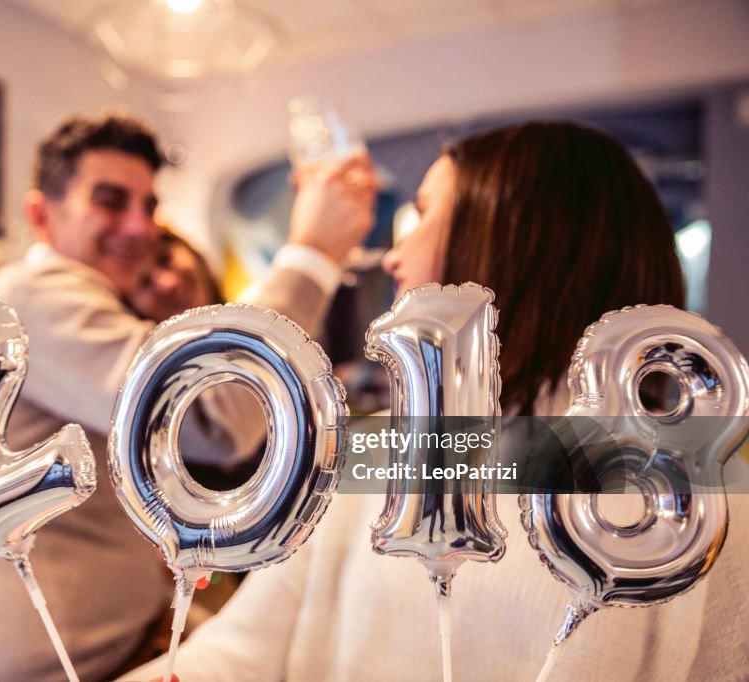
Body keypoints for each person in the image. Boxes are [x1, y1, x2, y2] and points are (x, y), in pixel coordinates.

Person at [124, 120, 749, 681]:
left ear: (508, 235)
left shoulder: (700, 500)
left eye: (422, 214)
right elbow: (243, 647)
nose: (392, 255)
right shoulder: (374, 455)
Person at [0, 113, 378, 681]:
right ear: (39, 215)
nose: (138, 227)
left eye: (148, 206)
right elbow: (217, 418)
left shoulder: (42, 301)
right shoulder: (29, 300)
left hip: (110, 644)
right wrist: (312, 254)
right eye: (110, 201)